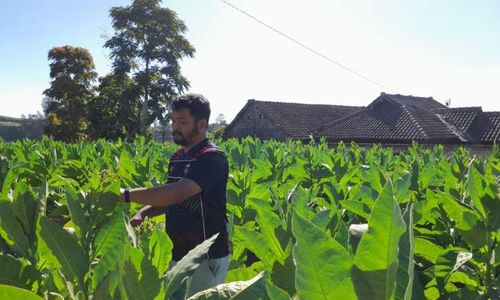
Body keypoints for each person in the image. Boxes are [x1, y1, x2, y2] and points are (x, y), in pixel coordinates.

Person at [119, 94, 231, 298]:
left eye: (182, 122)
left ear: (202, 124)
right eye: (173, 121)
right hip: (177, 252)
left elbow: (178, 193)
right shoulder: (178, 157)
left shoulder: (212, 156)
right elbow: (169, 200)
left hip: (205, 256)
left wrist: (126, 195)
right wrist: (143, 214)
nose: (175, 127)